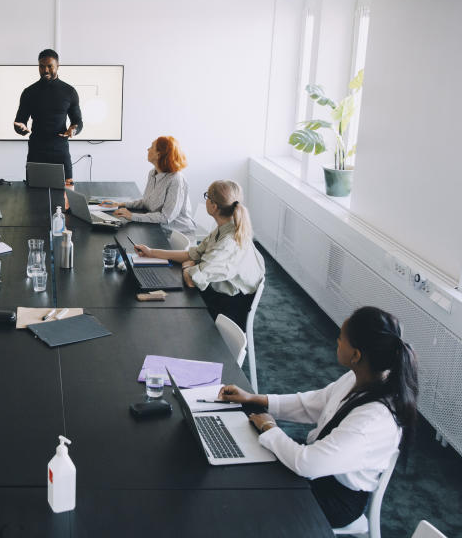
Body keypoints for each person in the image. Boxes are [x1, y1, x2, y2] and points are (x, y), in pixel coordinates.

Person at [218, 306, 419, 529]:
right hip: (319, 466)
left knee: (247, 498)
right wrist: (255, 398)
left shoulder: (372, 420)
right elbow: (313, 404)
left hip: (335, 497)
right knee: (245, 470)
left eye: (341, 338)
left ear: (356, 355)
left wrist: (269, 428)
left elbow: (306, 464)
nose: (337, 341)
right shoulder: (363, 375)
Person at [133, 179, 264, 329]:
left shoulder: (228, 244)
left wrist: (187, 267)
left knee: (163, 315)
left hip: (226, 307)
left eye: (207, 196)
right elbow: (192, 255)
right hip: (218, 292)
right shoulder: (225, 227)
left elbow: (191, 280)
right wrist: (151, 252)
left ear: (214, 206)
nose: (206, 199)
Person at [102, 136, 200, 241]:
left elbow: (165, 217)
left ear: (159, 154)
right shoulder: (153, 173)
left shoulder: (176, 179)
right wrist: (120, 204)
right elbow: (147, 202)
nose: (148, 149)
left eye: (151, 147)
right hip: (158, 228)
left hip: (177, 235)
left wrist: (132, 216)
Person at [13, 48, 83, 183]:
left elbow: (78, 121)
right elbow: (19, 122)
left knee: (66, 194)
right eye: (41, 66)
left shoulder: (69, 91)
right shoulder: (29, 92)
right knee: (34, 195)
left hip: (60, 151)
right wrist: (20, 128)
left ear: (58, 66)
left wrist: (73, 129)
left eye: (50, 66)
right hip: (36, 151)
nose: (45, 70)